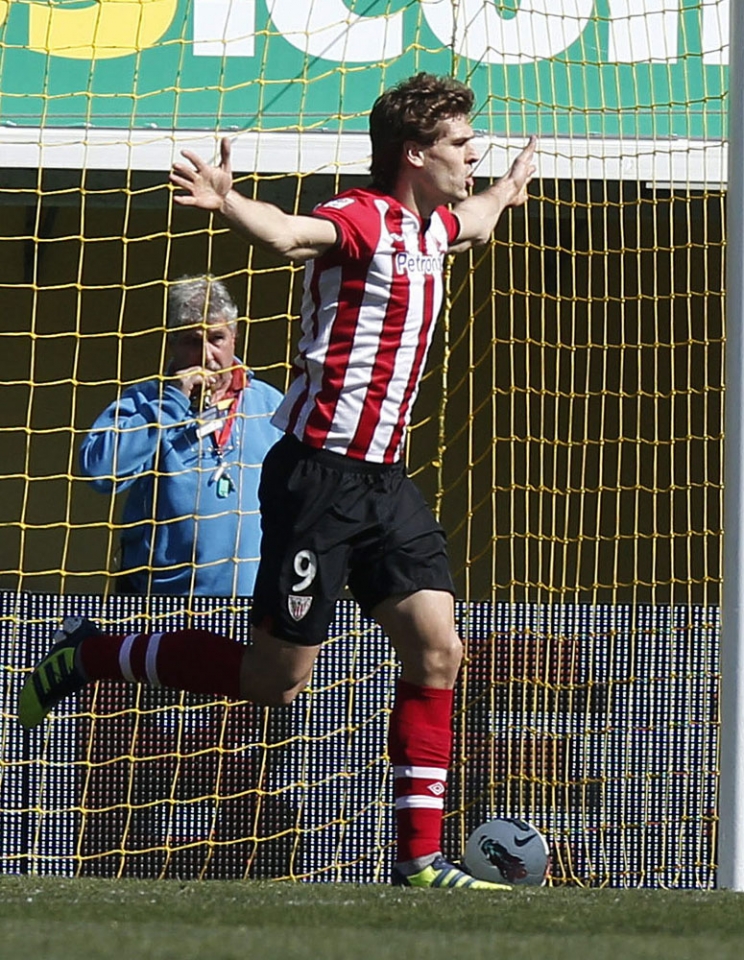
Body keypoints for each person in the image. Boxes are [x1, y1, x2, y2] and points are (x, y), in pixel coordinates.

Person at [19, 73, 536, 889]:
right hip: (317, 480)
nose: (473, 155)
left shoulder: (433, 226)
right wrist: (229, 204)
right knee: (277, 682)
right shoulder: (360, 219)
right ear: (413, 154)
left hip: (384, 481)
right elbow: (293, 236)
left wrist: (503, 193)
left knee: (438, 648)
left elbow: (469, 225)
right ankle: (94, 653)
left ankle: (421, 862)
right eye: (460, 145)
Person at [79, 275, 283, 596]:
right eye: (191, 341)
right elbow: (99, 471)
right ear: (171, 342)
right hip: (161, 600)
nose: (205, 355)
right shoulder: (145, 400)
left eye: (216, 339)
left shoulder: (271, 404)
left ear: (235, 337)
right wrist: (171, 404)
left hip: (249, 599)